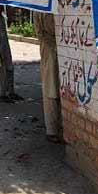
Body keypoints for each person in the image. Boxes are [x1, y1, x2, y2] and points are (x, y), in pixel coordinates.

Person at [34, 11, 63, 143]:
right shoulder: (39, 11)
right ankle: (52, 130)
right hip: (49, 50)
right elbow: (41, 32)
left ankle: (60, 127)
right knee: (50, 90)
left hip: (59, 47)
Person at [0, 5, 22, 102]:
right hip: (0, 49)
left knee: (10, 69)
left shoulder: (2, 18)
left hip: (6, 48)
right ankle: (3, 94)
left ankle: (11, 91)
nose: (0, 8)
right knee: (1, 73)